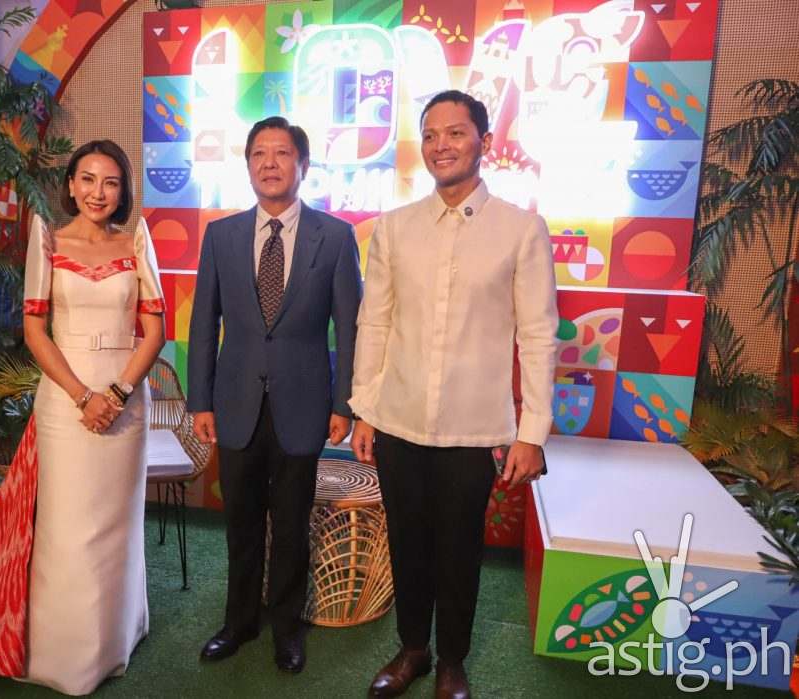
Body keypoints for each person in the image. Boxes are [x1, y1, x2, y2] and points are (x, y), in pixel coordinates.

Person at [0, 139, 166, 696]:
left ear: (123, 191)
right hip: (65, 400)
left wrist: (117, 391)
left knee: (115, 527)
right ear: (70, 185)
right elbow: (35, 331)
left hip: (126, 397)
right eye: (87, 179)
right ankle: (64, 653)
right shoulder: (49, 241)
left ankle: (114, 638)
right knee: (68, 528)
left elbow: (156, 330)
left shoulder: (136, 241)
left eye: (110, 182)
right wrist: (84, 397)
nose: (97, 192)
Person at [349, 90, 557, 699]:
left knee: (460, 551)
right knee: (407, 544)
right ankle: (413, 650)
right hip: (398, 421)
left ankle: (453, 662)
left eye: (456, 133)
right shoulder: (394, 228)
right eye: (431, 134)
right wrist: (364, 410)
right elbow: (374, 324)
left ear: (484, 143)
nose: (441, 145)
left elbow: (538, 336)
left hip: (474, 429)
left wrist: (532, 432)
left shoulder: (521, 230)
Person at [188, 116, 362, 673]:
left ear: (303, 165)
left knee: (290, 526)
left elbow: (350, 327)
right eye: (259, 153)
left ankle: (287, 628)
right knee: (240, 523)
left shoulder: (335, 237)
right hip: (235, 402)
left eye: (282, 153)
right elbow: (203, 323)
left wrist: (344, 404)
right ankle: (239, 622)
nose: (269, 163)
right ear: (247, 166)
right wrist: (200, 401)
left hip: (304, 404)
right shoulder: (221, 236)